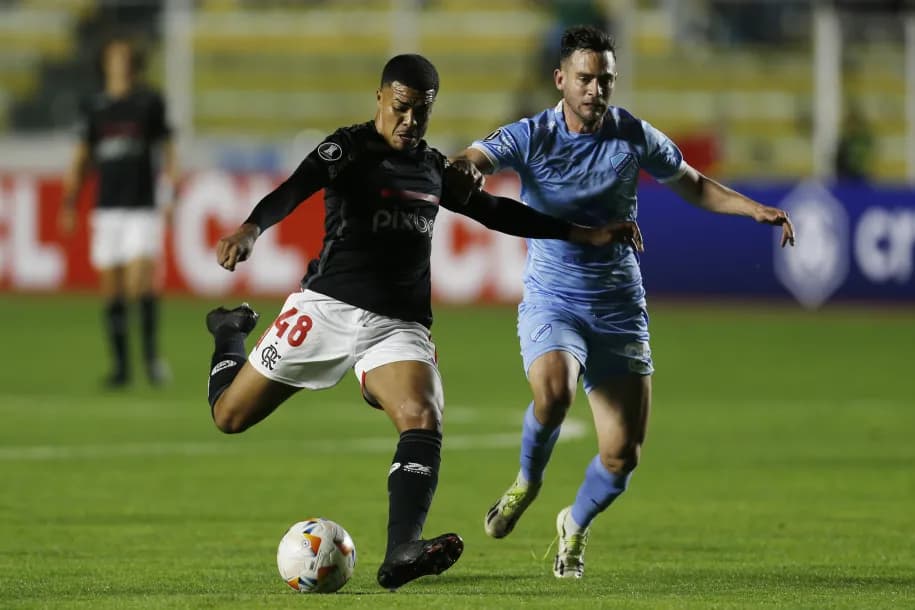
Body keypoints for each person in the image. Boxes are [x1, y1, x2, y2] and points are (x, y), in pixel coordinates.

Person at [203, 54, 642, 591]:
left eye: (421, 112)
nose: (409, 121)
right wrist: (251, 228)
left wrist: (583, 233)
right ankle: (229, 330)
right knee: (229, 415)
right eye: (401, 109)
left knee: (423, 414)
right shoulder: (348, 148)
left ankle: (401, 550)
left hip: (399, 324)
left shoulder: (435, 168)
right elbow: (295, 187)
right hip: (326, 309)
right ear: (381, 99)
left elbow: (498, 213)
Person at [452, 25, 796, 579]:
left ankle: (575, 523)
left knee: (621, 456)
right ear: (561, 79)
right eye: (585, 78)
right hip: (553, 298)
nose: (595, 89)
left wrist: (754, 209)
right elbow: (477, 156)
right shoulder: (533, 134)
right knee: (554, 393)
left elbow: (695, 183)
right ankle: (526, 483)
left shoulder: (633, 135)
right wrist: (467, 168)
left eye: (605, 79)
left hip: (617, 307)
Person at [58, 35, 178, 387]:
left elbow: (168, 150)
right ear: (105, 64)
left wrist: (170, 194)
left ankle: (152, 360)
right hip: (106, 208)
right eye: (114, 58)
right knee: (111, 290)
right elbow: (82, 156)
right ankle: (121, 367)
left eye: (125, 57)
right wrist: (70, 201)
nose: (120, 64)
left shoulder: (149, 102)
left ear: (133, 63)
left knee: (140, 282)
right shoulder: (94, 106)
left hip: (142, 205)